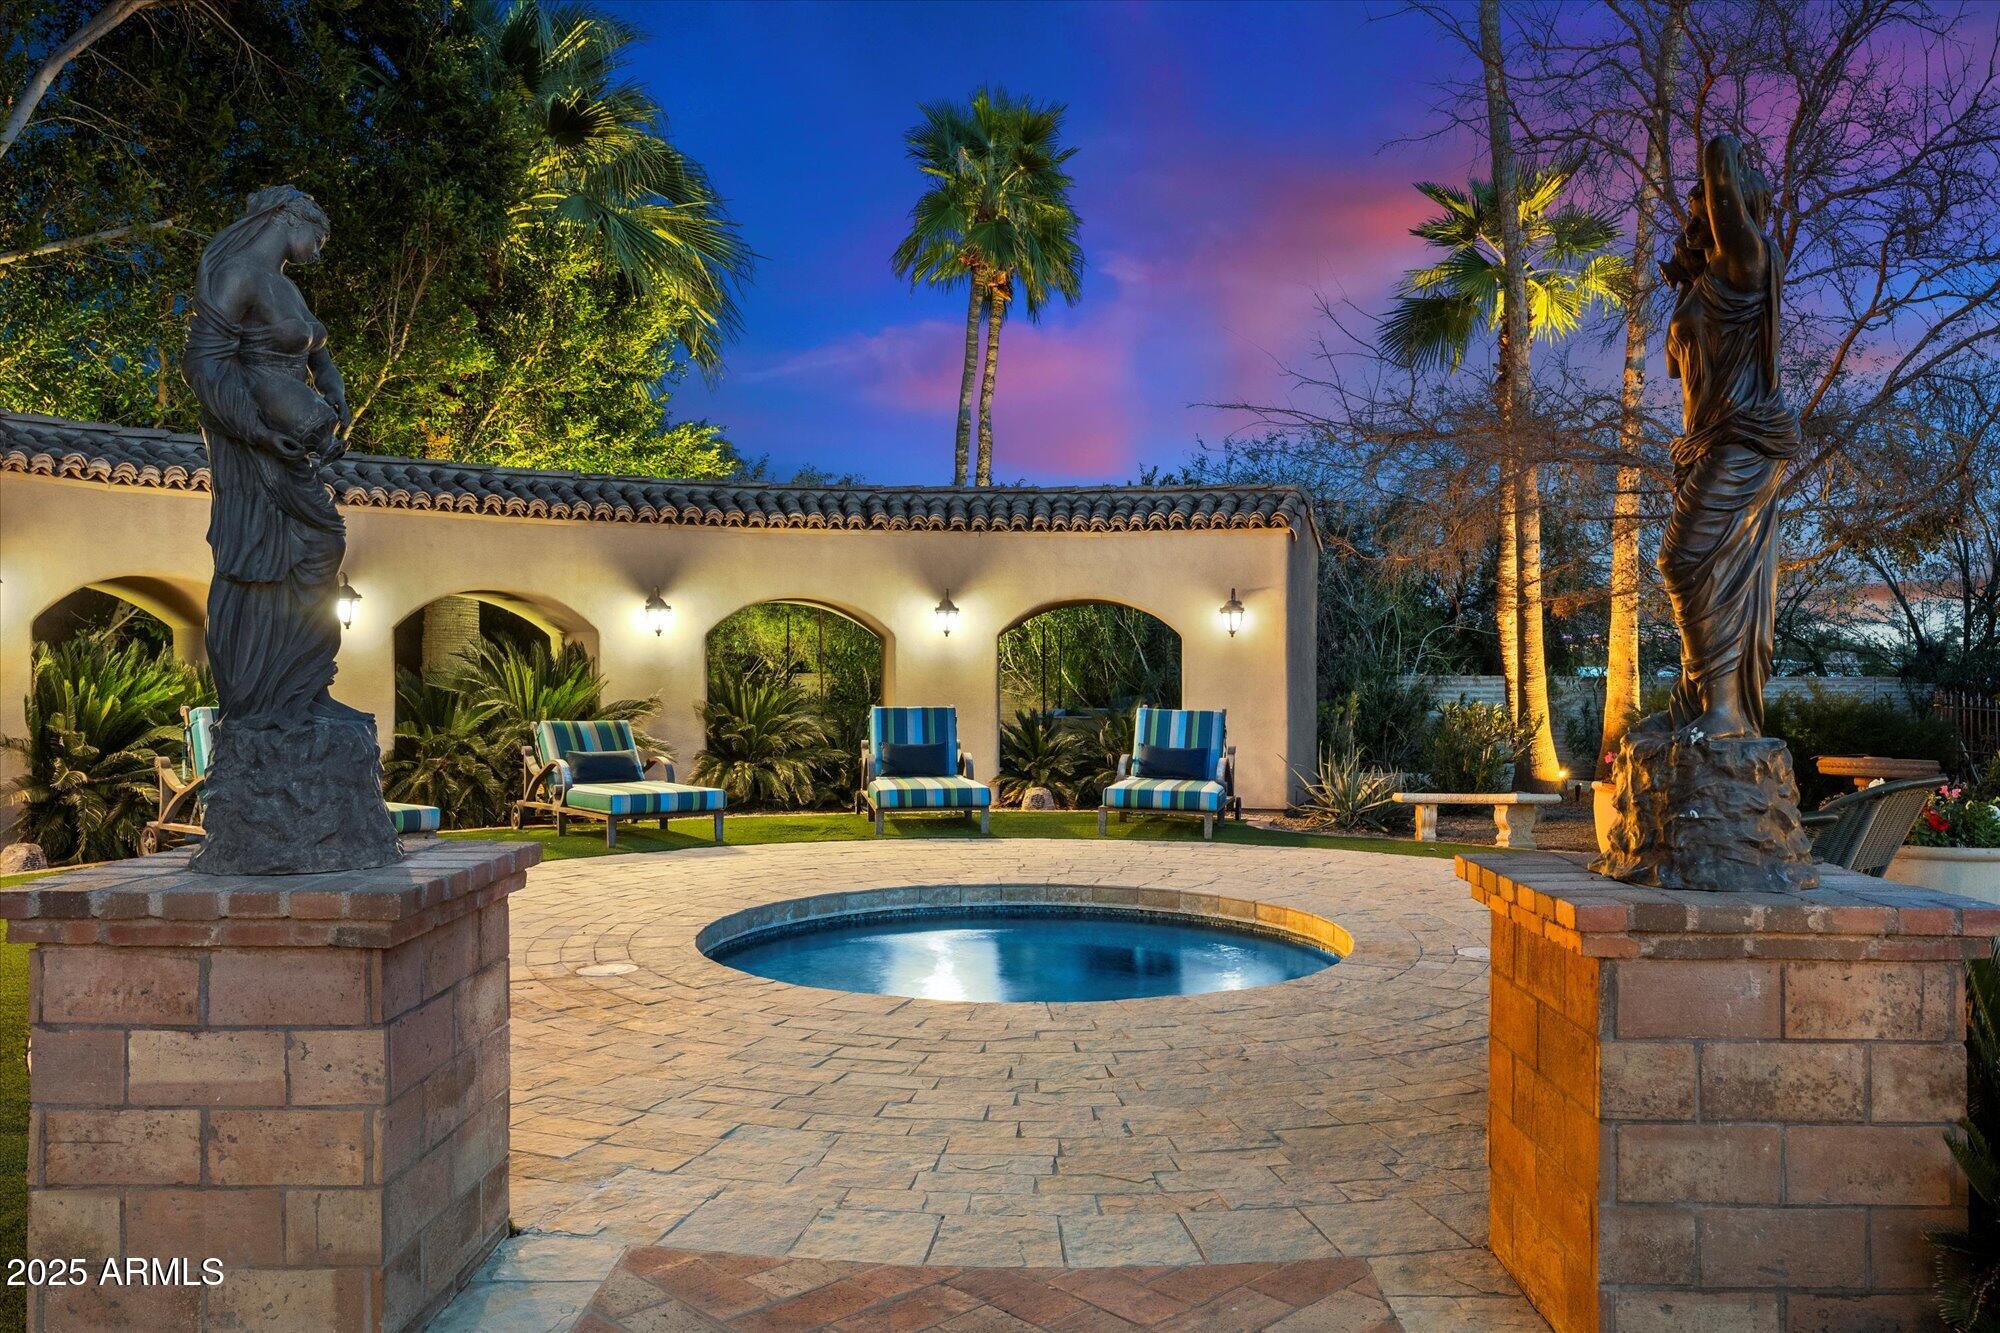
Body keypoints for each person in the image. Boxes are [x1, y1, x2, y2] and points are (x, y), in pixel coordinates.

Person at [182, 185, 360, 726]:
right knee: (265, 558)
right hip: (253, 438)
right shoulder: (237, 272)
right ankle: (262, 697)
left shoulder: (283, 286)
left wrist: (332, 383)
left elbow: (318, 348)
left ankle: (302, 685)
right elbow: (203, 364)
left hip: (288, 440)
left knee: (319, 548)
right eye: (319, 235)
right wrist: (257, 431)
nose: (320, 249)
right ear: (290, 218)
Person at [1656, 134, 1800, 741]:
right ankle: (1707, 704)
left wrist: (1728, 157)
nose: (1695, 220)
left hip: (1745, 441)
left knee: (1683, 559)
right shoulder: (1704, 284)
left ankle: (1725, 710)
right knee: (1708, 569)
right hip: (1711, 444)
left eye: (1703, 210)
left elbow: (1717, 159)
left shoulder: (1748, 266)